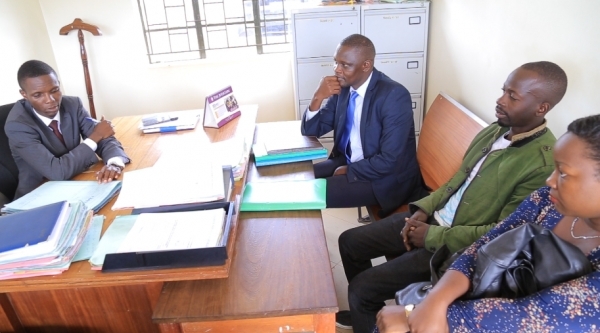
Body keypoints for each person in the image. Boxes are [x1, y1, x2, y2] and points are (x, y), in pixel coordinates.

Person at [337, 61, 568, 332]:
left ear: (542, 108)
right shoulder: (495, 130)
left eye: (512, 96)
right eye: (503, 90)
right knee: (350, 242)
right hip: (432, 220)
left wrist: (431, 236)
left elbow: (504, 235)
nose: (500, 99)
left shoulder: (542, 163)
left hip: (458, 248)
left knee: (362, 287)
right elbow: (457, 179)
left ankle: (366, 304)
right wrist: (422, 210)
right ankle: (368, 311)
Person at [376, 114, 600, 333]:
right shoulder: (545, 200)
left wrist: (410, 315)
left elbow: (531, 315)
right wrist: (436, 299)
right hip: (475, 296)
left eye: (564, 173)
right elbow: (484, 245)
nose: (550, 180)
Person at [301, 34, 425, 216]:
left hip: (383, 178)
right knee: (298, 178)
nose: (337, 70)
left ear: (366, 65)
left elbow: (390, 160)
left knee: (307, 194)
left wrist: (351, 170)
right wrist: (318, 97)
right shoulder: (343, 88)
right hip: (349, 159)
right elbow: (311, 130)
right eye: (335, 62)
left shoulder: (394, 96)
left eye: (345, 65)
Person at [5, 60, 130, 199]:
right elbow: (56, 172)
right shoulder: (17, 125)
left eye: (54, 90)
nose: (50, 100)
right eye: (38, 95)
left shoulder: (72, 105)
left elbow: (104, 138)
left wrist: (114, 163)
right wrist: (95, 136)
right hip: (39, 195)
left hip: (77, 181)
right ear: (24, 94)